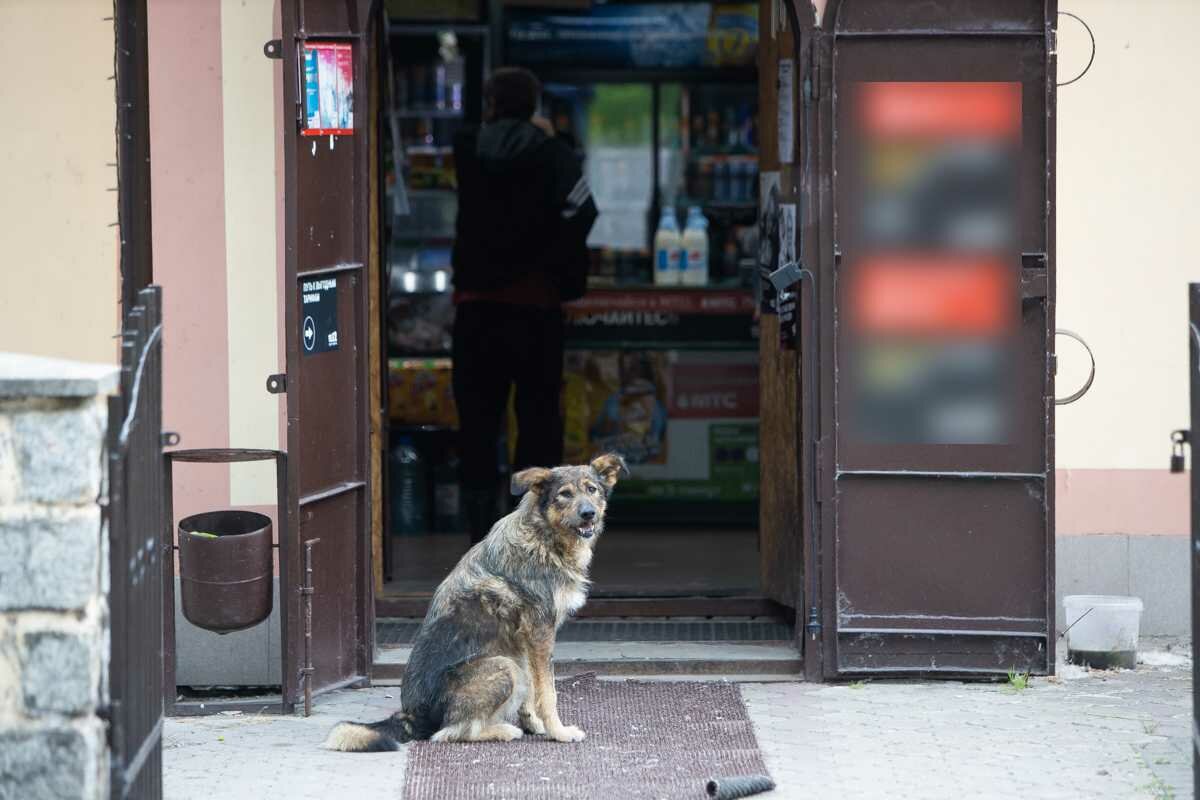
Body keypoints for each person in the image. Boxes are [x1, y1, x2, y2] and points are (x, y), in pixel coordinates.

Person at [451, 67, 599, 543]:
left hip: (476, 311)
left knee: (477, 421)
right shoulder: (553, 154)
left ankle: (477, 529)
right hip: (535, 309)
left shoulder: (465, 148)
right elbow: (583, 209)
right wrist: (555, 257)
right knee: (537, 419)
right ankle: (533, 528)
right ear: (534, 106)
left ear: (490, 103)